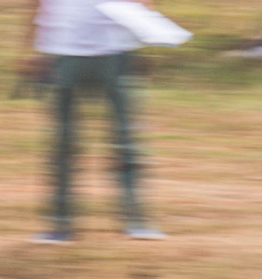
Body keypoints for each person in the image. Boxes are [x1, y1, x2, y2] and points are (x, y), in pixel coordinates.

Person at [24, 0, 161, 239]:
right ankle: (60, 223)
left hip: (115, 49)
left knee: (125, 140)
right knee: (64, 144)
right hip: (63, 49)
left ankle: (135, 220)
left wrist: (143, 29)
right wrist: (32, 48)